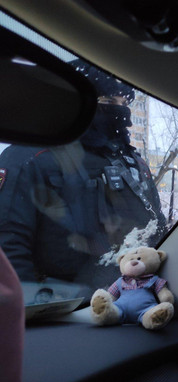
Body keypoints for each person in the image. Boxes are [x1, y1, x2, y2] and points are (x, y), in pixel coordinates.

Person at [0, 60, 166, 298]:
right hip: (67, 312)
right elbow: (7, 246)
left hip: (135, 303)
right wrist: (33, 311)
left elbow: (158, 230)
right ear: (75, 102)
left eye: (124, 102)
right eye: (109, 101)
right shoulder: (29, 157)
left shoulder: (133, 163)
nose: (120, 111)